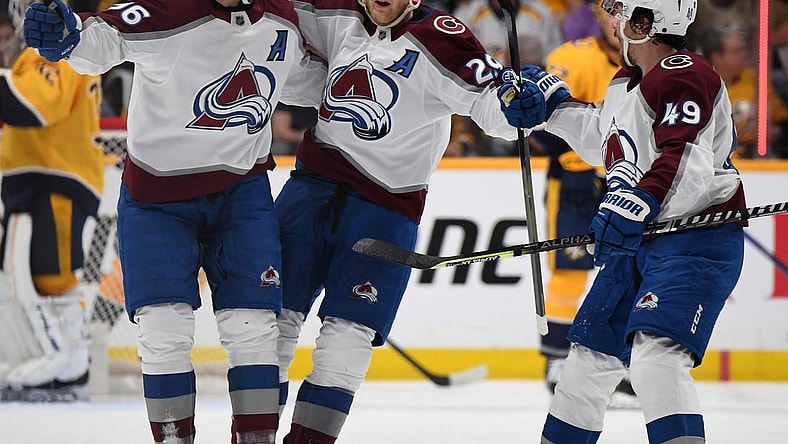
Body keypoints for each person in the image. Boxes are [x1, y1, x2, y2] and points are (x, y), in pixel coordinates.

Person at [23, 0, 322, 441]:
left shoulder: (285, 19)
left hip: (241, 196)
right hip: (157, 203)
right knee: (164, 332)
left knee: (255, 330)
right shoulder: (165, 11)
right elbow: (100, 40)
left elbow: (313, 81)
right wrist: (67, 36)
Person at [273, 0, 527, 441]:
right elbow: (273, 23)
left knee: (346, 343)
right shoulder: (336, 13)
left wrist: (516, 102)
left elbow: (491, 105)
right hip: (312, 188)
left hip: (386, 207)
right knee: (267, 326)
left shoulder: (444, 37)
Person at [498, 0, 747, 442]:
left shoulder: (685, 72)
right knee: (585, 368)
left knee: (657, 361)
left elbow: (684, 157)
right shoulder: (628, 81)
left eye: (623, 14)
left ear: (646, 22)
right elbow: (603, 138)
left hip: (692, 241)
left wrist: (635, 202)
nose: (613, 23)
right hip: (642, 242)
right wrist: (551, 110)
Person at [0, 0, 103, 402]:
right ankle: (62, 357)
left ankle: (69, 359)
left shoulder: (56, 45)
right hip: (41, 173)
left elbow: (36, 105)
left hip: (58, 175)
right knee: (34, 274)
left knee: (51, 274)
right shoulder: (40, 48)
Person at [535, 4, 623, 397]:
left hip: (631, 185)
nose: (620, 23)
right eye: (612, 12)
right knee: (570, 270)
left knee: (625, 271)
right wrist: (572, 161)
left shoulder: (658, 65)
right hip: (575, 183)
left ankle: (616, 361)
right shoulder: (571, 57)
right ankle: (557, 356)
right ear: (600, 17)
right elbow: (543, 124)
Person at [700, 19, 788, 159]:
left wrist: (773, 132)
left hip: (755, 156)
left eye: (743, 49)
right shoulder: (699, 86)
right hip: (712, 159)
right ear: (717, 57)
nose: (744, 54)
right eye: (736, 51)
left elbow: (780, 125)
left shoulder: (757, 79)